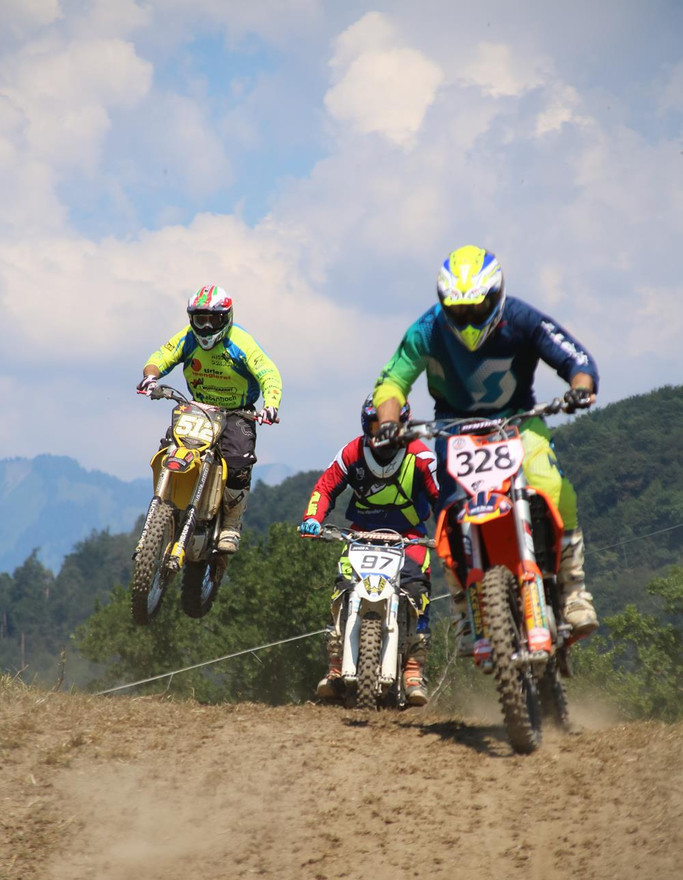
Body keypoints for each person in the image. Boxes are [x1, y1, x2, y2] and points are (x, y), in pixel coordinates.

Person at [372, 244, 599, 639]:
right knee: (447, 511)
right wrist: (389, 421)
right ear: (444, 303)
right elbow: (393, 381)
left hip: (519, 421)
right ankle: (463, 604)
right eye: (458, 310)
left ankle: (574, 590)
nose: (468, 318)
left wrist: (580, 387)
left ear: (496, 296)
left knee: (552, 487)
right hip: (455, 429)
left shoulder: (522, 318)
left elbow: (574, 357)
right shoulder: (426, 329)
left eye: (477, 308)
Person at [299, 395, 439, 706]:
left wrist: (450, 530)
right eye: (377, 426)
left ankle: (414, 669)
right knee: (342, 589)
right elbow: (326, 486)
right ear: (367, 424)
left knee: (418, 590)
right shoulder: (352, 452)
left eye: (391, 426)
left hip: (409, 538)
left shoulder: (421, 456)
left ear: (404, 425)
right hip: (361, 535)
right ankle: (336, 666)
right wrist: (312, 518)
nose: (384, 433)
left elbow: (441, 497)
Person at [137, 284, 282, 553]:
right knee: (169, 447)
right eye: (199, 319)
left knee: (238, 463)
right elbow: (163, 355)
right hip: (197, 408)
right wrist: (151, 376)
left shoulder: (241, 342)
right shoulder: (187, 338)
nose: (205, 327)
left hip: (236, 412)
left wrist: (271, 405)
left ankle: (231, 524)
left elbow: (268, 373)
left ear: (226, 318)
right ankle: (167, 502)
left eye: (212, 320)